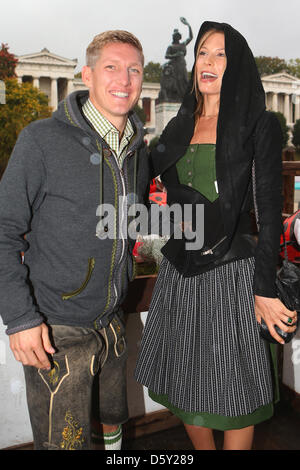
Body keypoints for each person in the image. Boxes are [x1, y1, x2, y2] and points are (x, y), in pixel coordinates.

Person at [135, 21, 298, 450]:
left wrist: (265, 289)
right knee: (186, 382)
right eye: (202, 52)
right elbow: (139, 184)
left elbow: (264, 214)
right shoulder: (178, 125)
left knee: (237, 388)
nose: (207, 60)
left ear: (237, 65)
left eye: (220, 54)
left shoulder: (258, 125)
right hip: (179, 271)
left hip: (232, 272)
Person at [0, 30, 150, 450]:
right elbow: (4, 230)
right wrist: (20, 319)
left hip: (111, 323)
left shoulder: (137, 148)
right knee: (64, 442)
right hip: (55, 329)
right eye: (112, 67)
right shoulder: (41, 140)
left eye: (134, 69)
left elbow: (131, 225)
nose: (124, 78)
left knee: (112, 425)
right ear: (86, 74)